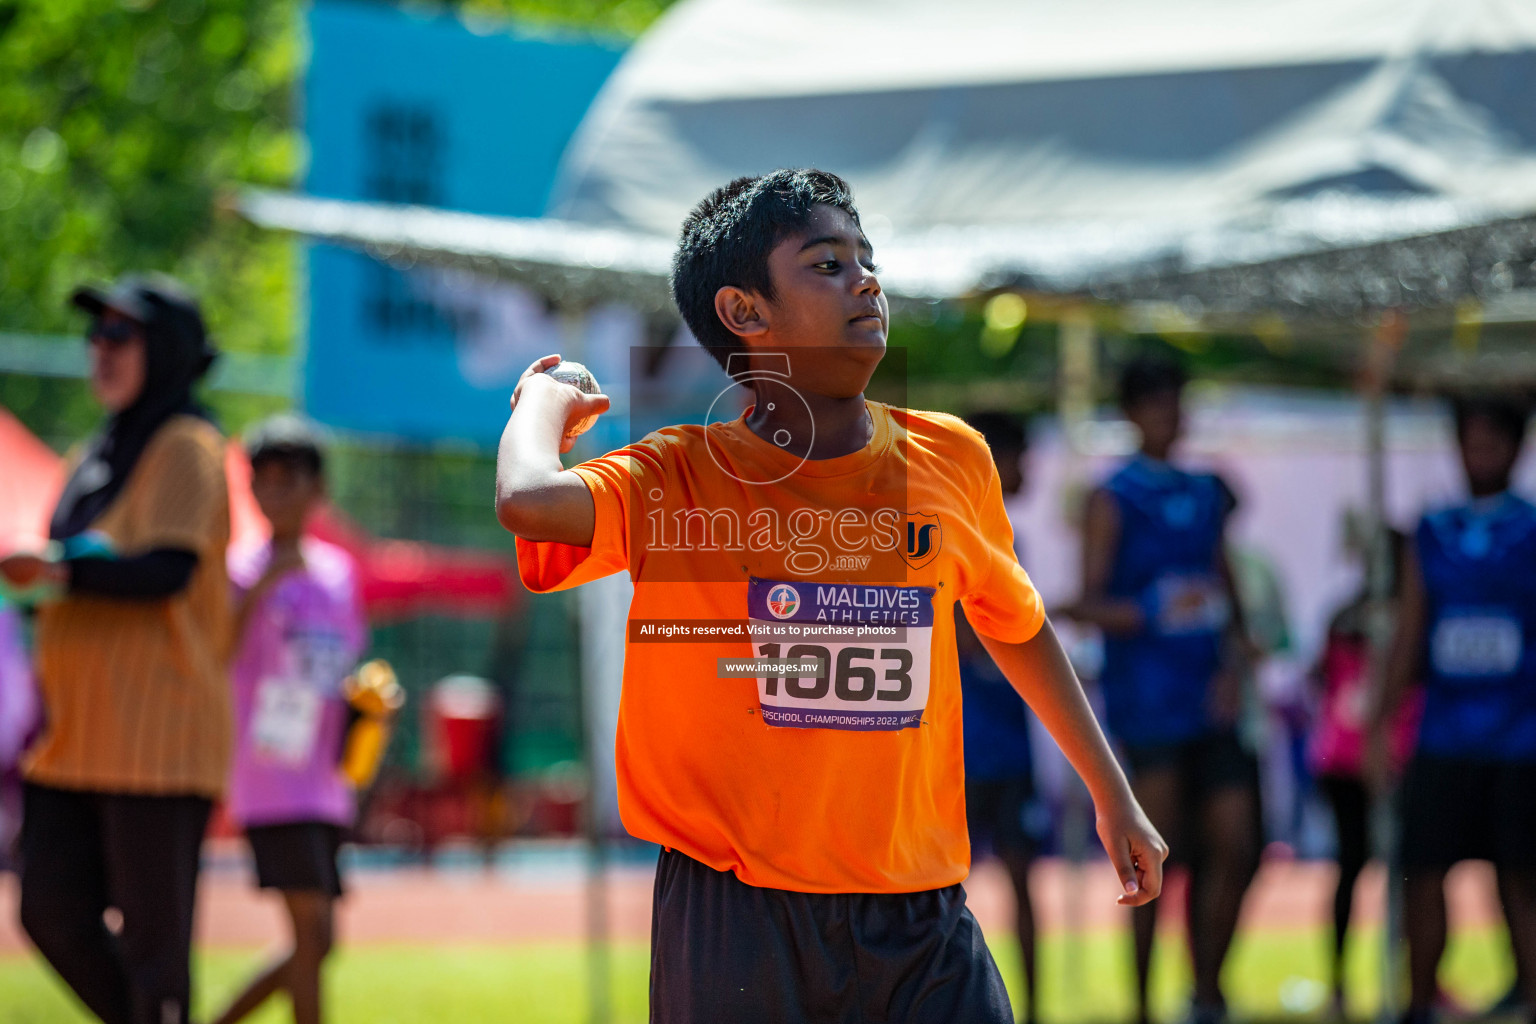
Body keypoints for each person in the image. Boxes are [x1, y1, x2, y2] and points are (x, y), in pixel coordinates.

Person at [495, 169, 1166, 1023]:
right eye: (827, 264)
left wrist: (1113, 794)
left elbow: (1018, 626)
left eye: (866, 259)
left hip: (920, 916)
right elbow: (525, 500)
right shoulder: (680, 477)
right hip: (738, 917)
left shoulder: (951, 459)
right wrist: (542, 400)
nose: (866, 280)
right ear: (745, 313)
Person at [0, 274, 231, 1024]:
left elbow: (167, 570)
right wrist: (38, 582)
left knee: (156, 950)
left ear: (164, 350)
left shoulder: (189, 445)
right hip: (74, 740)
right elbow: (75, 575)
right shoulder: (89, 454)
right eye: (94, 335)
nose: (99, 349)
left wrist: (60, 570)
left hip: (157, 742)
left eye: (119, 335)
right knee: (48, 911)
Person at [1061, 354, 1260, 1024]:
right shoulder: (1111, 496)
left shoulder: (1208, 492)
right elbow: (1084, 603)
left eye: (1177, 402)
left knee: (1237, 843)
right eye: (1156, 404)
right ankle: (1144, 1004)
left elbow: (1224, 588)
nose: (1170, 416)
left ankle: (1207, 991)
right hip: (1147, 704)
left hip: (1211, 699)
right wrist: (1153, 609)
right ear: (1131, 413)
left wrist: (1237, 657)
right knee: (1154, 859)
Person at [1369, 395, 1536, 1024]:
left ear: (1517, 448)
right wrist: (1380, 723)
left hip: (1520, 739)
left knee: (1521, 877)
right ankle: (1419, 1004)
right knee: (1424, 870)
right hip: (1442, 737)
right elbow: (1410, 632)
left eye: (1493, 440)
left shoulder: (1529, 528)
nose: (1479, 453)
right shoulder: (1432, 532)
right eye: (1470, 440)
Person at [209, 414, 367, 1024]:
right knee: (309, 930)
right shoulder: (238, 570)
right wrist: (262, 586)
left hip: (327, 778)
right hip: (271, 776)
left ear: (319, 489)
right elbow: (216, 653)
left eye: (290, 478)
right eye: (264, 480)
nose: (276, 491)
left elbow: (341, 663)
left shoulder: (338, 572)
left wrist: (370, 707)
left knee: (321, 940)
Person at [1307, 523, 1418, 1018]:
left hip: (1389, 756)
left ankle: (1407, 979)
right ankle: (1341, 981)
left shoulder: (1392, 616)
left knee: (1405, 873)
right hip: (1354, 758)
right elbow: (1323, 676)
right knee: (1359, 868)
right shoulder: (1353, 618)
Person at [959, 411, 1042, 1024]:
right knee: (937, 889)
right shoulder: (954, 532)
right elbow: (971, 634)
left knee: (1022, 880)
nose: (1026, 470)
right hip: (960, 742)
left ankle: (1033, 1009)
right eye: (1017, 456)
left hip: (1006, 741)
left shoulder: (1007, 537)